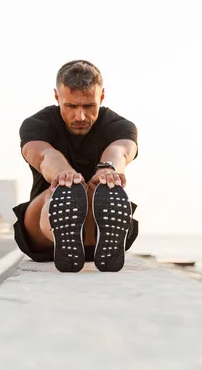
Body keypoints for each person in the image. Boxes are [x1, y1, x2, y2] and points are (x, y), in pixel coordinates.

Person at [12, 60, 139, 273]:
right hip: (43, 234)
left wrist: (108, 169)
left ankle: (100, 236)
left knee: (99, 191)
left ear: (102, 96)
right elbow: (44, 156)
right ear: (56, 97)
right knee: (60, 192)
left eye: (89, 106)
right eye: (71, 106)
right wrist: (63, 174)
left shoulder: (120, 126)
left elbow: (122, 151)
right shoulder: (37, 124)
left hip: (97, 230)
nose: (80, 116)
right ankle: (65, 233)